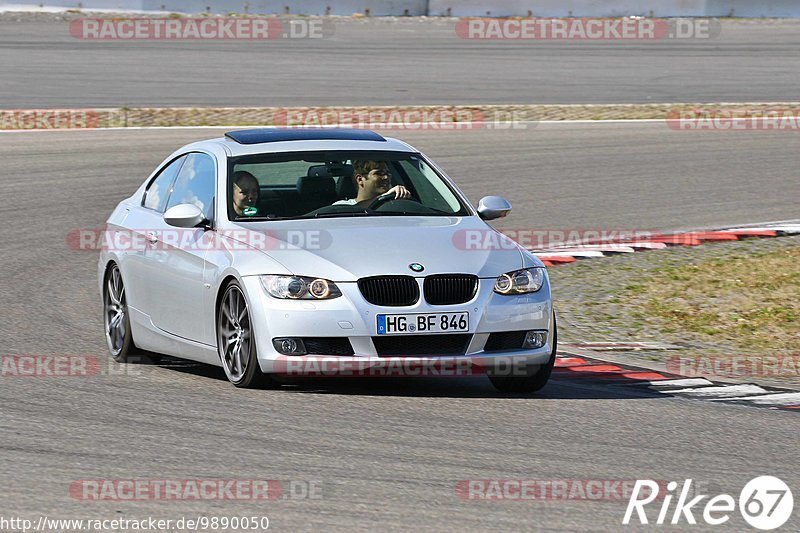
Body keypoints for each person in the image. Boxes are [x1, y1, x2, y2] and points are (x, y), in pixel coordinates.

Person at [333, 160, 410, 207]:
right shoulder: (341, 206)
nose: (386, 177)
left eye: (388, 173)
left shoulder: (393, 205)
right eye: (380, 173)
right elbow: (353, 210)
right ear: (360, 179)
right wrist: (382, 198)